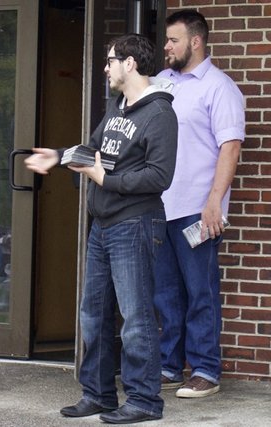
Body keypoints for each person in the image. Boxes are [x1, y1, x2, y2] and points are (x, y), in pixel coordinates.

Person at [25, 33, 177, 424]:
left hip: (136, 224)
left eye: (110, 60)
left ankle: (144, 401)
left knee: (136, 317)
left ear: (130, 64)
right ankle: (98, 394)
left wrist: (105, 180)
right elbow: (92, 150)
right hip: (103, 226)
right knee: (94, 314)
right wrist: (58, 156)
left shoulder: (160, 115)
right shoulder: (116, 107)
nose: (105, 67)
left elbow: (160, 176)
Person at [154, 10, 244, 398]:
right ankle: (170, 366)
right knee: (165, 294)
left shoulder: (218, 88)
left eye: (173, 40)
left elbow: (231, 147)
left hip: (196, 209)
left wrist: (214, 203)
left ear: (196, 41)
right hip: (159, 207)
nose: (166, 47)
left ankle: (205, 369)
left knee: (200, 291)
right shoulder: (160, 84)